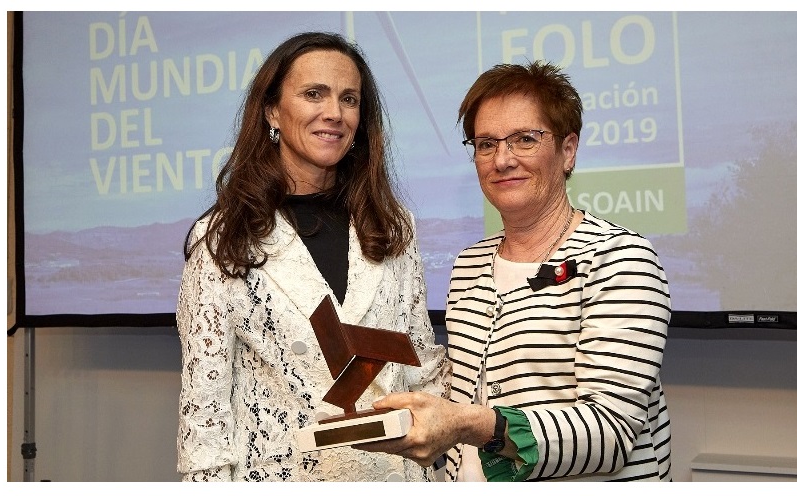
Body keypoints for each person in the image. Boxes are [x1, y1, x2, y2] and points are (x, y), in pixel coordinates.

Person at [357, 61, 672, 482]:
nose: (502, 160)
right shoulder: (469, 264)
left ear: (568, 150)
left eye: (525, 139)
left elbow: (610, 435)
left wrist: (470, 424)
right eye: (486, 144)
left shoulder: (620, 259)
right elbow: (461, 393)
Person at [175, 31, 449, 482]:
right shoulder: (223, 239)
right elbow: (204, 419)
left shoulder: (392, 225)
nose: (334, 113)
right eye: (313, 94)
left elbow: (420, 367)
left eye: (349, 99)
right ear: (272, 111)